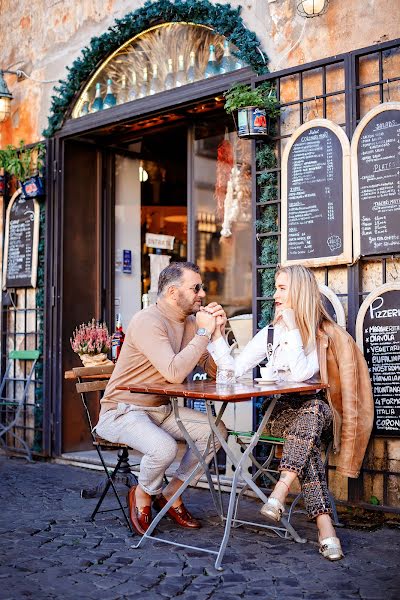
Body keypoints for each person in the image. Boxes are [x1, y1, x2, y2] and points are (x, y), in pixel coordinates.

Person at [207, 264, 374, 561]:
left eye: (281, 288)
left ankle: (281, 490)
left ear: (299, 292)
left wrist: (294, 329)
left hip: (320, 416)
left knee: (314, 410)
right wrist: (218, 335)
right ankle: (323, 527)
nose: (274, 295)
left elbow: (300, 373)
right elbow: (233, 371)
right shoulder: (270, 333)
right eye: (275, 288)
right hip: (279, 414)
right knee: (306, 443)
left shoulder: (324, 336)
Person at [95, 261, 227, 535]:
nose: (202, 294)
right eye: (195, 288)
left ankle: (170, 494)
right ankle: (142, 493)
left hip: (161, 410)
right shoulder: (147, 321)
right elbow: (175, 372)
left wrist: (216, 334)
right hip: (122, 410)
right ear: (171, 292)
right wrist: (202, 332)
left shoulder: (191, 322)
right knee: (164, 448)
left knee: (216, 432)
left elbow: (215, 372)